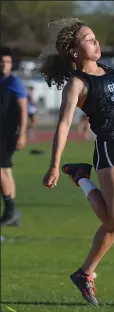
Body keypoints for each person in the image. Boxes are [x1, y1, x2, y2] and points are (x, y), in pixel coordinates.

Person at [38, 18, 114, 306]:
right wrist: (53, 164)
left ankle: (84, 273)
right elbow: (62, 125)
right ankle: (80, 176)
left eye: (95, 38)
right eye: (88, 39)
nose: (96, 42)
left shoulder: (110, 70)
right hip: (110, 146)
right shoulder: (76, 83)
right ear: (74, 51)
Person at [0, 48, 28, 227]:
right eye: (1, 61)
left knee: (1, 170)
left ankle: (10, 208)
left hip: (7, 133)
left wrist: (22, 133)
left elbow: (23, 109)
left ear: (12, 64)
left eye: (7, 62)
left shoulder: (14, 82)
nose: (4, 64)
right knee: (6, 171)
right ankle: (12, 215)